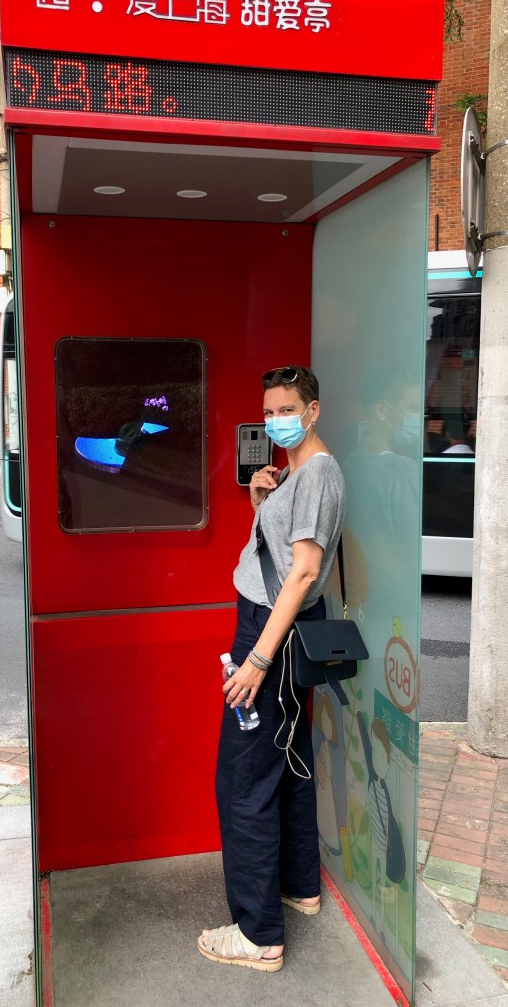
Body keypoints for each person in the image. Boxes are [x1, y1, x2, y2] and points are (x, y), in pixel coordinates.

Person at [197, 365, 346, 972]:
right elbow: (285, 557)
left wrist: (258, 658)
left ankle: (258, 934)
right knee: (288, 760)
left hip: (271, 634)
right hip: (274, 627)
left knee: (244, 779)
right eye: (268, 411)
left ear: (313, 410)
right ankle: (299, 886)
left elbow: (304, 573)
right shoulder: (297, 474)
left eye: (287, 409)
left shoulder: (318, 474)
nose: (276, 419)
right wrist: (262, 502)